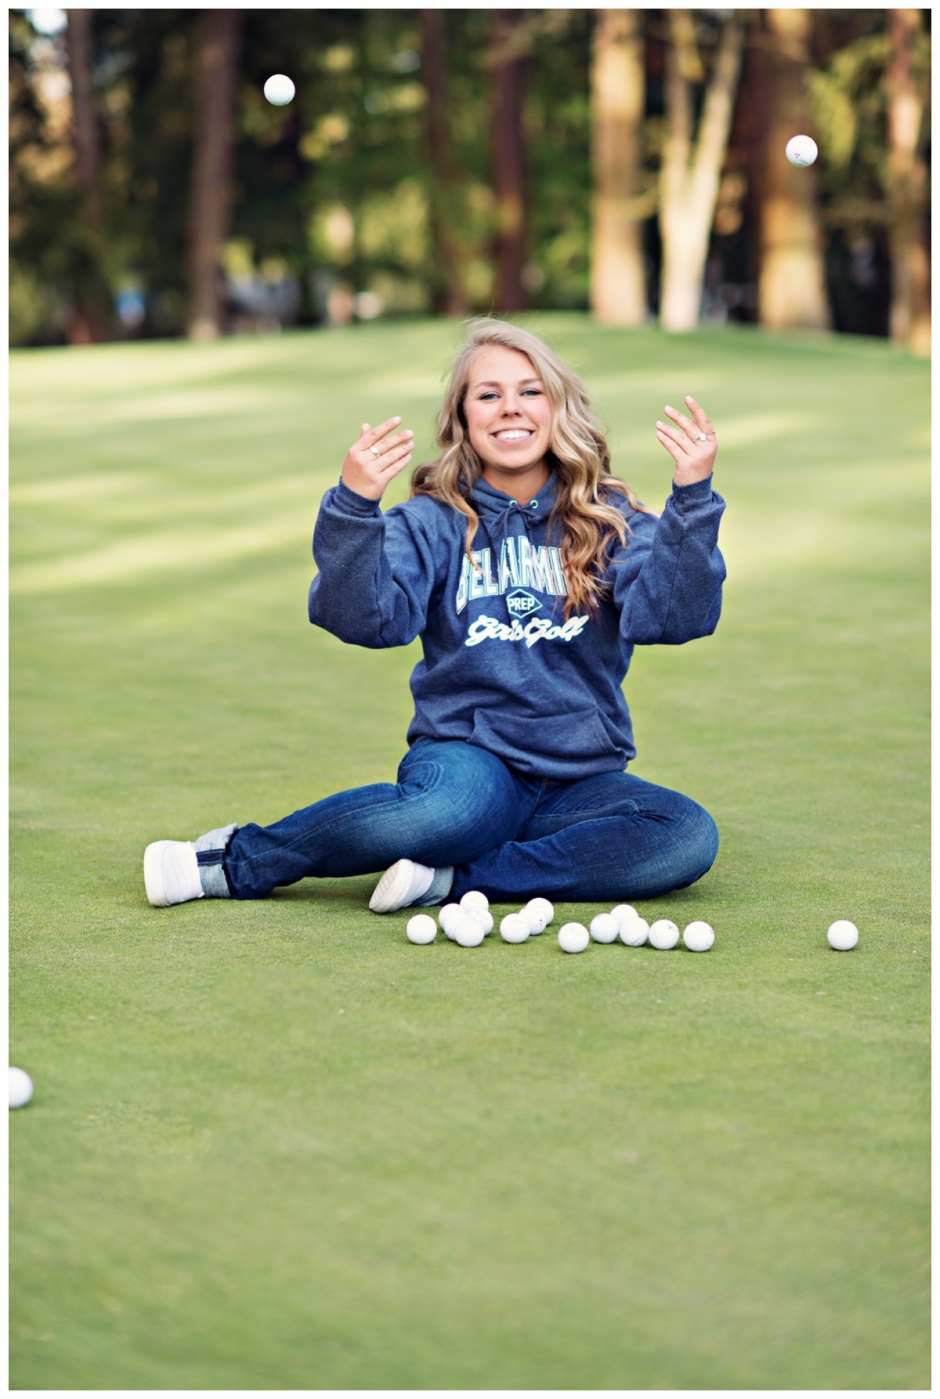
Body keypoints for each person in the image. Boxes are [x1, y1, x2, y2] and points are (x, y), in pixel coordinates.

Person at [144, 319, 725, 914]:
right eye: (488, 394)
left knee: (684, 833)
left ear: (557, 408)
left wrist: (693, 498)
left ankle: (459, 878)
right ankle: (232, 860)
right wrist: (354, 505)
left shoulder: (614, 519)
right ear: (463, 420)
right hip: (469, 760)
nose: (510, 409)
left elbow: (673, 618)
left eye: (530, 391)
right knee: (443, 815)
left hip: (577, 780)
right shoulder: (431, 522)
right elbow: (368, 621)